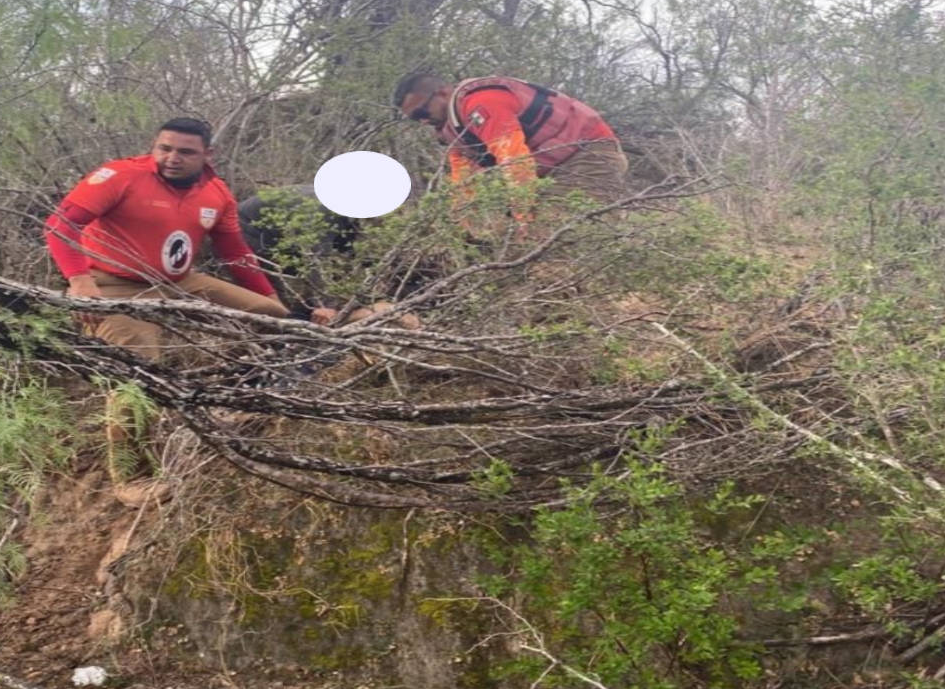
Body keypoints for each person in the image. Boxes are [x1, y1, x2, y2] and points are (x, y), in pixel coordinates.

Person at [44, 117, 289, 474]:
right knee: (138, 376)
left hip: (179, 281)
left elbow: (235, 252)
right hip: (112, 285)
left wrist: (270, 297)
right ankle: (132, 477)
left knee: (273, 319)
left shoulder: (217, 192)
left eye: (186, 152)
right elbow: (61, 225)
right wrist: (80, 281)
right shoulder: (119, 176)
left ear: (208, 153)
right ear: (154, 146)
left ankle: (251, 397)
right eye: (165, 148)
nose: (173, 158)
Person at [392, 72, 629, 208]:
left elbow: (515, 161)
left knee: (569, 236)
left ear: (442, 93)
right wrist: (461, 227)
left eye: (422, 112)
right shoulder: (451, 130)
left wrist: (522, 218)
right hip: (551, 171)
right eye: (415, 119)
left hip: (588, 153)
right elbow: (463, 185)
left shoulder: (482, 104)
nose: (423, 121)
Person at [236, 185, 420, 330]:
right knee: (277, 299)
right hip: (250, 231)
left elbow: (350, 247)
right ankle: (278, 331)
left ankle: (309, 312)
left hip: (284, 232)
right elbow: (316, 258)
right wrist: (325, 305)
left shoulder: (348, 210)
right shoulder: (320, 212)